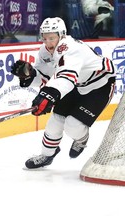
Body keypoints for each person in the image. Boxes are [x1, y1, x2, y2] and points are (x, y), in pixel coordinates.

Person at [10, 17, 116, 169]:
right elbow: (45, 78)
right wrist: (31, 75)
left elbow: (67, 76)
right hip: (75, 84)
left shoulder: (70, 48)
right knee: (55, 122)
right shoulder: (44, 51)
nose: (48, 43)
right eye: (44, 38)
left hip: (99, 85)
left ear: (62, 35)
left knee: (73, 125)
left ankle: (81, 139)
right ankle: (47, 155)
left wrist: (48, 94)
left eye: (52, 38)